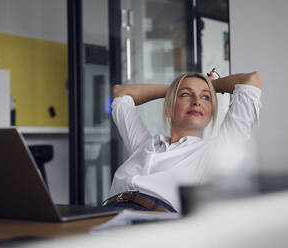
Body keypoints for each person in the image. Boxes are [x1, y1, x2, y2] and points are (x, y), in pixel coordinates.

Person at [102, 71, 263, 213]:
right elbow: (120, 93)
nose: (197, 101)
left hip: (153, 229)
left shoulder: (216, 151)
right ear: (169, 106)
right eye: (186, 95)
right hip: (107, 215)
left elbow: (251, 80)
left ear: (211, 112)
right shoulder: (145, 144)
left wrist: (209, 84)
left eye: (206, 97)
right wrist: (175, 88)